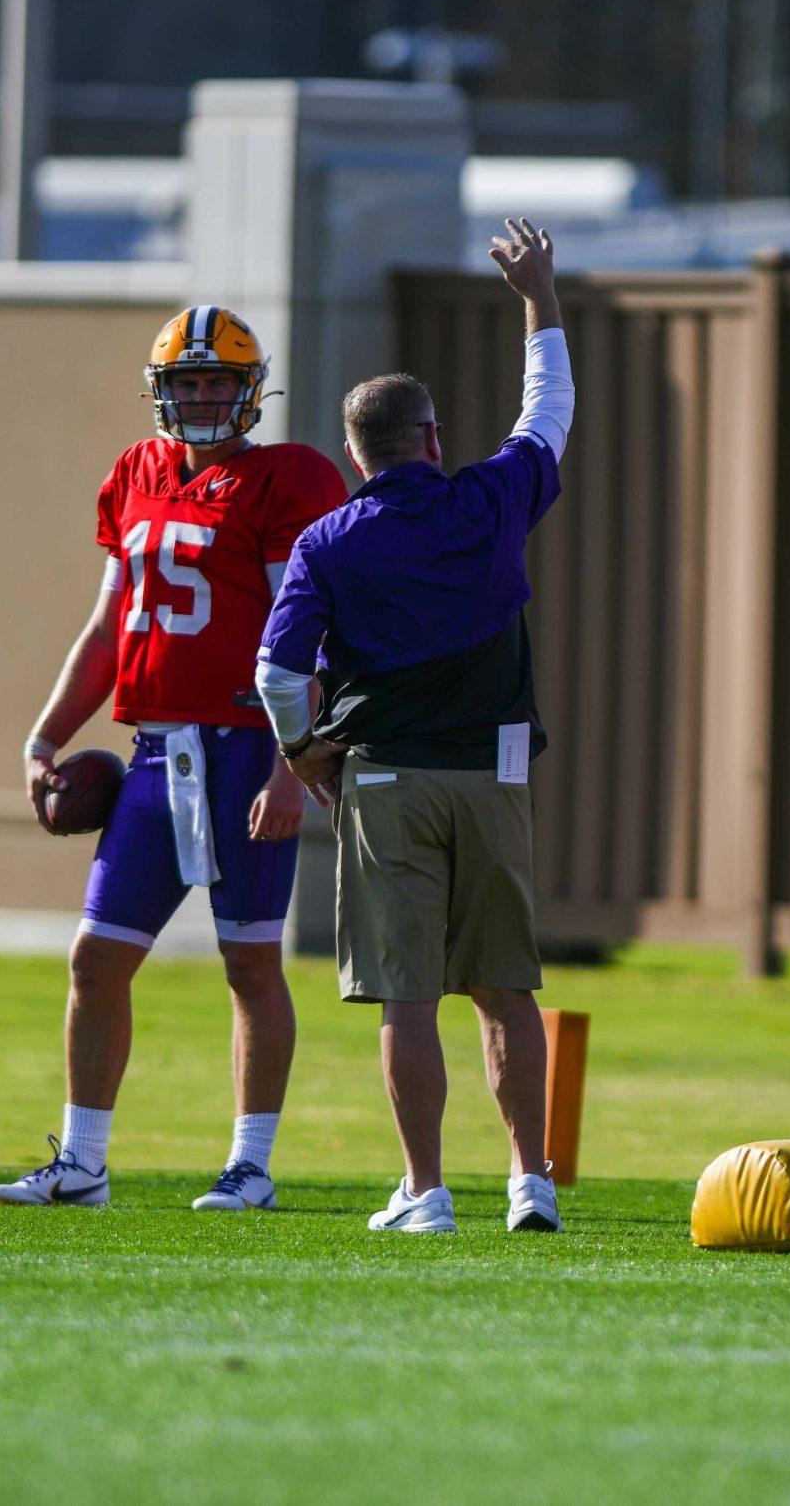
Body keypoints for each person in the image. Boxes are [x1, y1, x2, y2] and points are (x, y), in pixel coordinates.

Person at [0, 307, 348, 1211]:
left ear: (248, 389)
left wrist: (291, 764)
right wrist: (46, 736)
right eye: (185, 381)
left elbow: (310, 633)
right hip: (154, 752)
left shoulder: (286, 479)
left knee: (251, 965)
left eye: (217, 380)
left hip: (247, 745)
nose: (200, 395)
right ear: (161, 390)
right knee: (95, 960)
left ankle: (251, 1167)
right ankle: (81, 1161)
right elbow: (109, 628)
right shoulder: (135, 474)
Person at [255, 218, 573, 1236]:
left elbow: (275, 671)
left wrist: (302, 751)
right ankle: (531, 1183)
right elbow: (550, 408)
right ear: (432, 439)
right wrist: (537, 295)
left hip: (385, 779)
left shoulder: (328, 540)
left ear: (355, 454)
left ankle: (426, 1192)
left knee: (406, 998)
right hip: (495, 771)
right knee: (506, 988)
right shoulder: (489, 498)